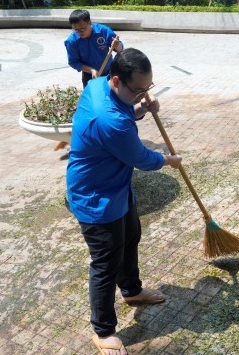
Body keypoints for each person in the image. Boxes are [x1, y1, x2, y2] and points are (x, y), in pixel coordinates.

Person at [66, 48, 182, 355]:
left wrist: (142, 107)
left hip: (117, 188)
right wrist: (168, 160)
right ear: (117, 79)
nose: (143, 94)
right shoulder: (110, 121)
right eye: (139, 90)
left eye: (149, 88)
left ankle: (131, 290)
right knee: (105, 264)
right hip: (95, 198)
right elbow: (141, 158)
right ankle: (103, 331)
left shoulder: (98, 85)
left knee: (131, 237)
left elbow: (124, 111)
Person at [65, 9, 124, 87]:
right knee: (93, 98)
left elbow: (120, 49)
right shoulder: (72, 41)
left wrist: (117, 45)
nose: (80, 32)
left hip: (110, 72)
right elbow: (73, 62)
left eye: (82, 29)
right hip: (90, 76)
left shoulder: (103, 31)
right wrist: (91, 70)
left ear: (89, 22)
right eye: (76, 30)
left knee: (111, 97)